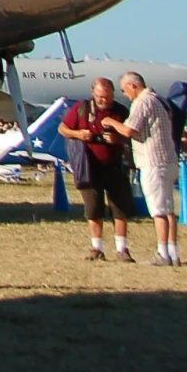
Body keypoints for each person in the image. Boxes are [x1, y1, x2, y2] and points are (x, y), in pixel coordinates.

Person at [60, 78, 136, 261]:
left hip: (115, 165)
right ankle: (97, 248)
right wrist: (79, 134)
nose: (104, 100)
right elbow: (63, 128)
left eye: (108, 96)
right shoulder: (82, 108)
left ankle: (122, 249)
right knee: (93, 208)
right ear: (93, 94)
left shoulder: (121, 111)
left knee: (120, 208)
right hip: (89, 166)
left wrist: (118, 140)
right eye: (100, 96)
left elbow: (130, 135)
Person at [118, 72, 180, 266]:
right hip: (169, 160)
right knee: (168, 207)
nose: (125, 94)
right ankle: (173, 251)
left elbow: (130, 129)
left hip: (152, 161)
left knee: (158, 209)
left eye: (124, 89)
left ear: (132, 85)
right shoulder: (159, 100)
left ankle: (162, 253)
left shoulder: (142, 102)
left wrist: (111, 123)